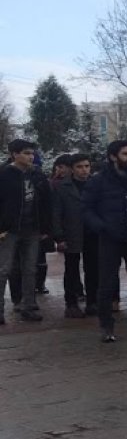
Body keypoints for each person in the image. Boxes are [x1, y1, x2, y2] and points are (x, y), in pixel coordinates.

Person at [81, 140, 127, 342]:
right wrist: (101, 226)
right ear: (113, 156)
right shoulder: (99, 181)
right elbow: (86, 208)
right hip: (110, 239)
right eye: (125, 153)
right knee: (106, 284)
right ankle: (106, 326)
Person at [0, 139, 53, 325]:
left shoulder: (37, 175)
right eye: (26, 153)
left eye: (32, 153)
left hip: (32, 229)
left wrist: (46, 228)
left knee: (30, 269)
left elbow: (47, 202)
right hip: (10, 230)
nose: (30, 157)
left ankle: (28, 306)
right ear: (14, 154)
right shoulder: (5, 174)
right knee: (4, 269)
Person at [52, 153, 96, 318]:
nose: (84, 170)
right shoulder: (62, 187)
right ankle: (71, 303)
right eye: (79, 167)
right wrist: (59, 236)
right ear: (72, 169)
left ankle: (92, 301)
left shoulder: (95, 184)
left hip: (93, 232)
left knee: (93, 268)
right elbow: (56, 213)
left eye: (86, 166)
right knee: (71, 269)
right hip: (71, 233)